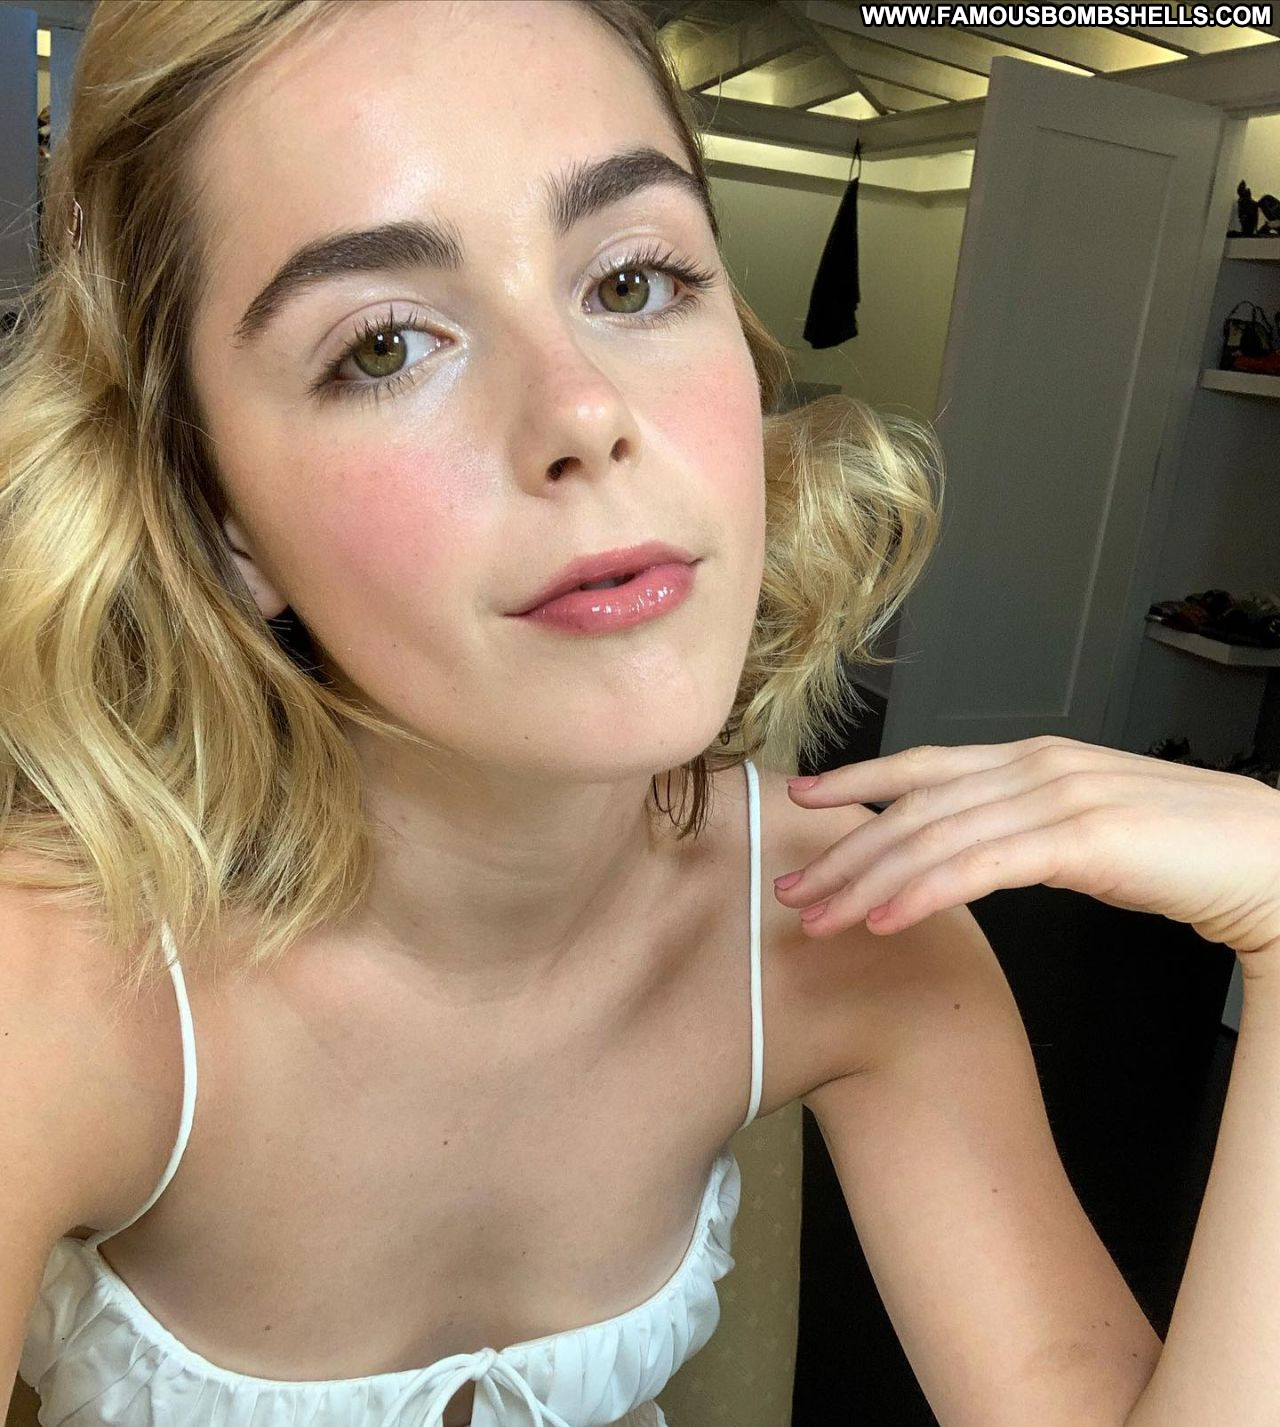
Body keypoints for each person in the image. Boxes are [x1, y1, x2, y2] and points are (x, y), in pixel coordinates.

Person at [1, 4, 1277, 1427]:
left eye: (632, 281)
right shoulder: (59, 981)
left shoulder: (847, 912)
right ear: (216, 508)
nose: (583, 412)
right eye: (385, 347)